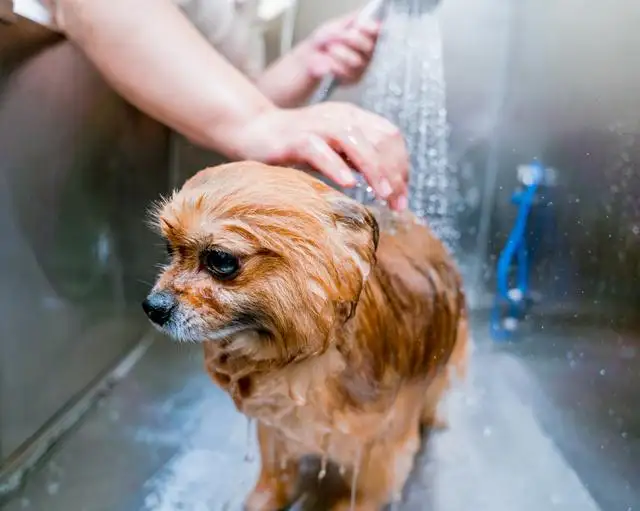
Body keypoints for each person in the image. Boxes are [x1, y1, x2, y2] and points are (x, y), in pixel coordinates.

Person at [15, 0, 408, 209]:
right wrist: (260, 121)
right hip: (74, 187)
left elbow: (208, 127)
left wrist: (304, 65)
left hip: (150, 198)